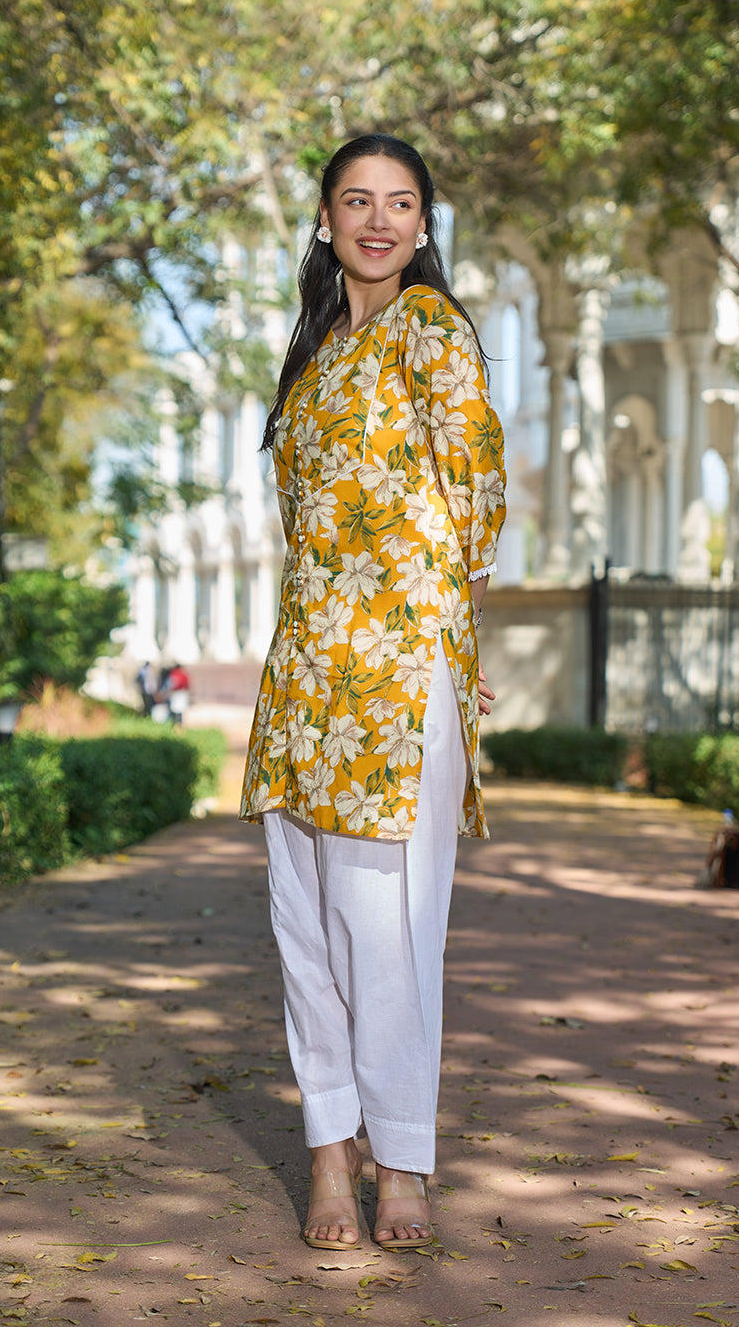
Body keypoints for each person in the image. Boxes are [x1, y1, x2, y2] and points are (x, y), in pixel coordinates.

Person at [239, 133, 506, 1252]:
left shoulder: (431, 333)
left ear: (426, 225)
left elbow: (477, 496)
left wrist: (448, 648)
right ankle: (328, 1157)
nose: (379, 220)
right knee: (303, 930)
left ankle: (402, 1160)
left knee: (389, 933)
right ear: (325, 220)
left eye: (401, 203)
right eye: (358, 201)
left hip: (396, 683)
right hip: (303, 677)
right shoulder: (309, 360)